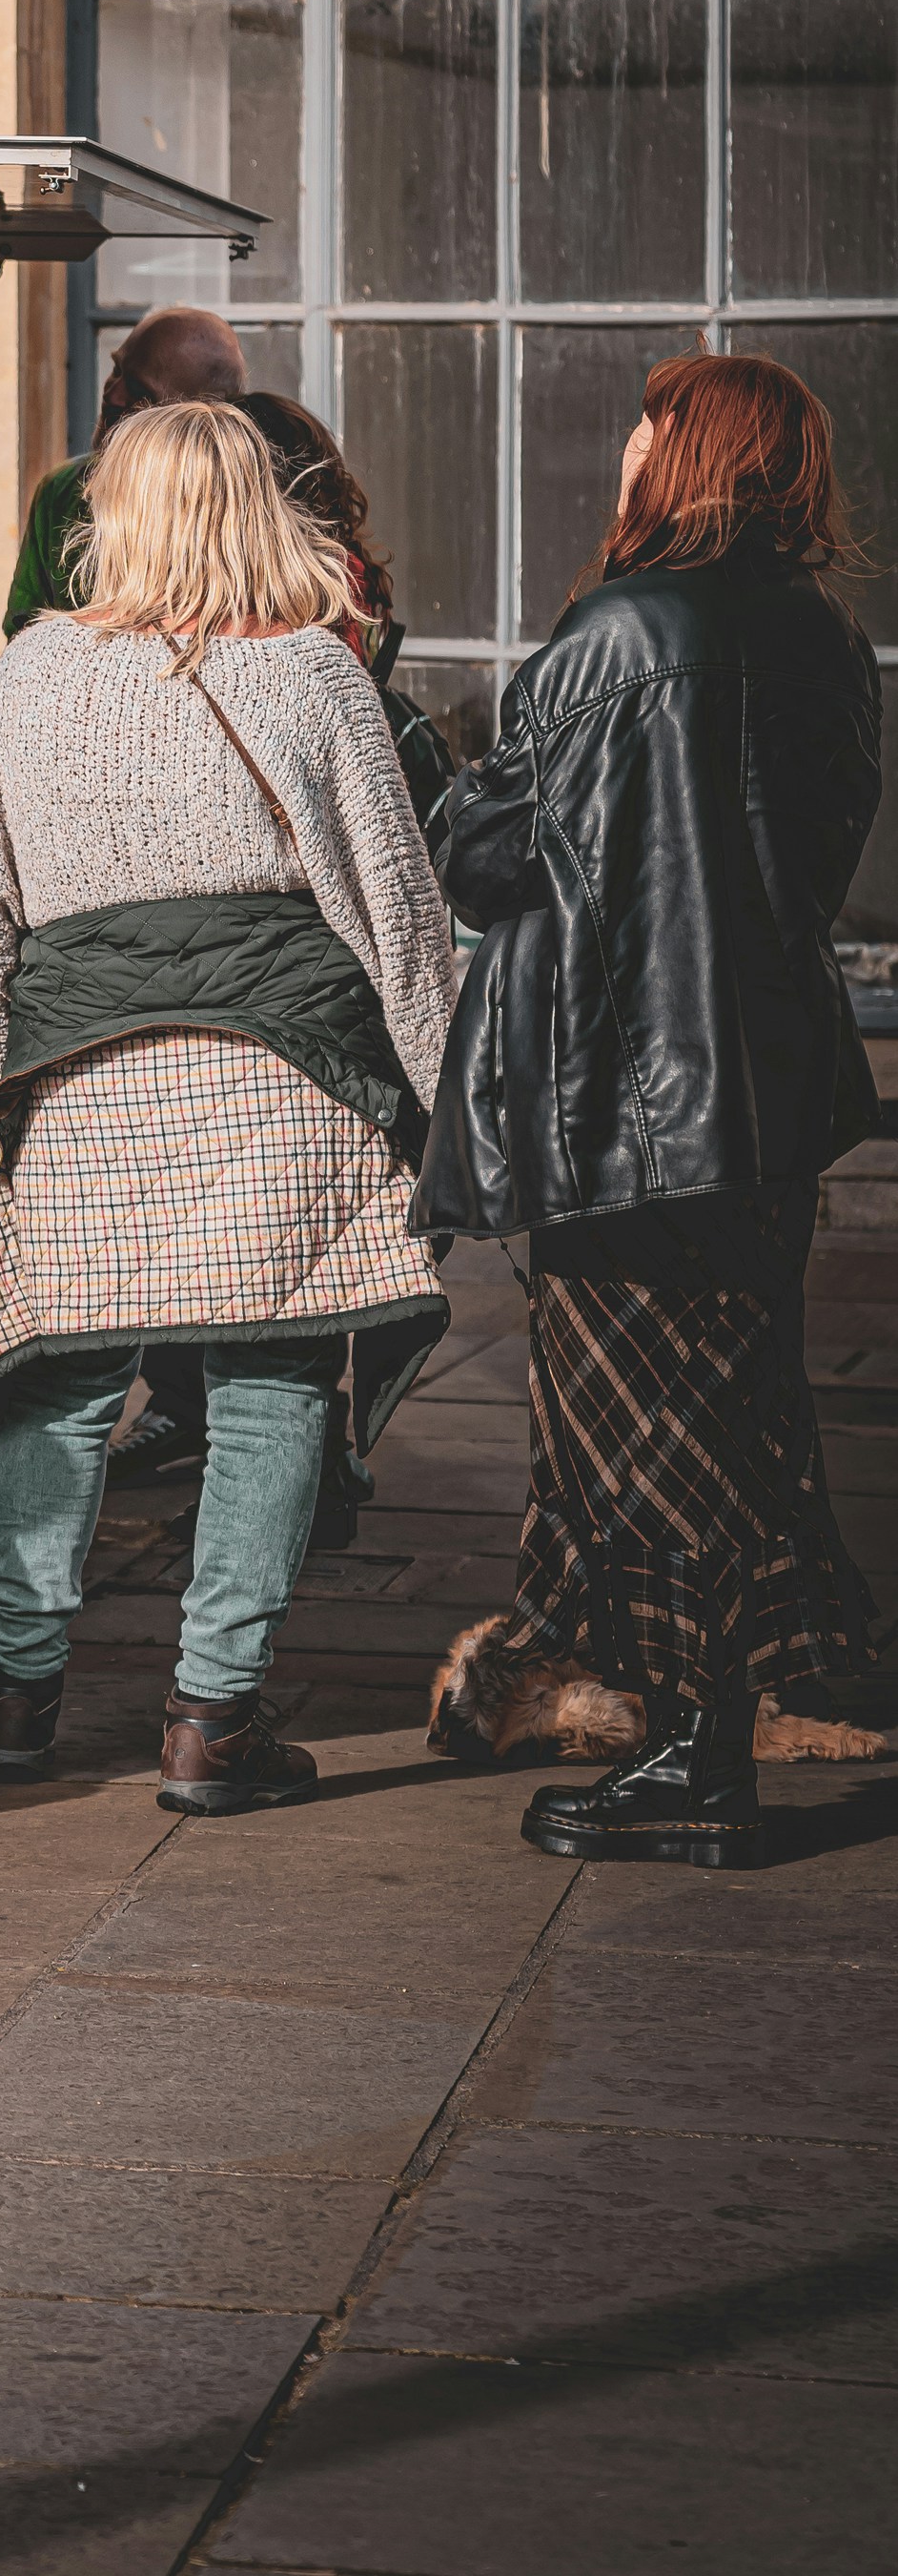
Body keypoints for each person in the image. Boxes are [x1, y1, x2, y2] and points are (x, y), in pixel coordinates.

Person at [0, 402, 460, 1812]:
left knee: (60, 1376)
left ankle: (15, 1702)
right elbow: (396, 913)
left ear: (116, 516)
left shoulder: (30, 675)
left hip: (82, 1079)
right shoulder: (317, 680)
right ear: (267, 513)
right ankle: (213, 1720)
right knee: (271, 1381)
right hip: (286, 1082)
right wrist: (451, 1093)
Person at [423, 351, 882, 1872]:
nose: (620, 448)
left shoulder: (617, 630)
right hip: (764, 1091)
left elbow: (486, 856)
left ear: (682, 457)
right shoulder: (821, 637)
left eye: (642, 426)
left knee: (650, 1438)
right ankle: (706, 1687)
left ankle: (697, 1757)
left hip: (627, 1104)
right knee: (729, 1406)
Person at [114, 388, 459, 1515]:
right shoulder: (334, 610)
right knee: (298, 1233)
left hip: (259, 956)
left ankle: (244, 1423)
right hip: (306, 973)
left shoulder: (301, 633)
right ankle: (280, 1436)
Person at [4, 305, 244, 637]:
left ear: (198, 413)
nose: (112, 395)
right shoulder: (61, 491)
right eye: (116, 370)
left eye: (140, 391)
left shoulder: (243, 503)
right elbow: (22, 630)